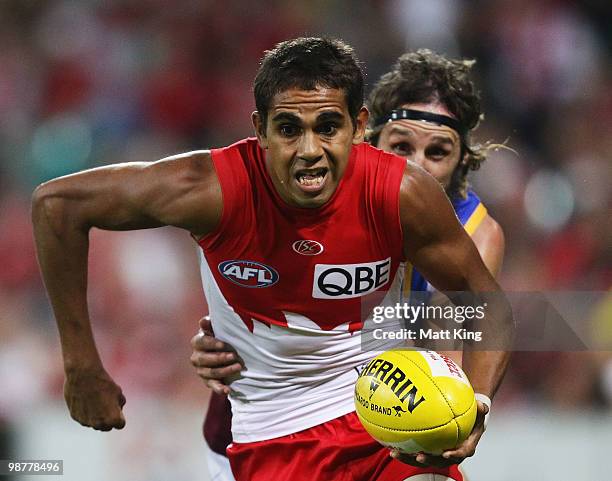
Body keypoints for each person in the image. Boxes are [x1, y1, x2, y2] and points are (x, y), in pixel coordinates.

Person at [32, 37, 512, 481]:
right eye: (289, 129)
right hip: (267, 432)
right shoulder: (215, 189)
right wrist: (81, 364)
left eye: (438, 151)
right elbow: (57, 204)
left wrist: (476, 405)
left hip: (385, 414)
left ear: (355, 126)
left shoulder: (431, 209)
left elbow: (479, 319)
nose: (309, 152)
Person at [192, 49, 506, 480]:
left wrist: (475, 405)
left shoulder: (474, 233)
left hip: (369, 413)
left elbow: (447, 364)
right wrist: (221, 339)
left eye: (437, 152)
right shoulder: (315, 191)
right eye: (400, 146)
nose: (415, 165)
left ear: (462, 161)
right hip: (246, 429)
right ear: (366, 140)